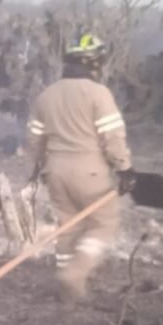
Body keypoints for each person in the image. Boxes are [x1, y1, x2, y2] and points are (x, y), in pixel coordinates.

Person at [24, 33, 138, 303]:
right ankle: (75, 275)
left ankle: (68, 291)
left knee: (67, 228)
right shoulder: (99, 93)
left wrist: (36, 169)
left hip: (56, 172)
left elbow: (34, 139)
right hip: (90, 171)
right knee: (103, 224)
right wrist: (124, 169)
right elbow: (112, 136)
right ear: (94, 64)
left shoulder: (46, 95)